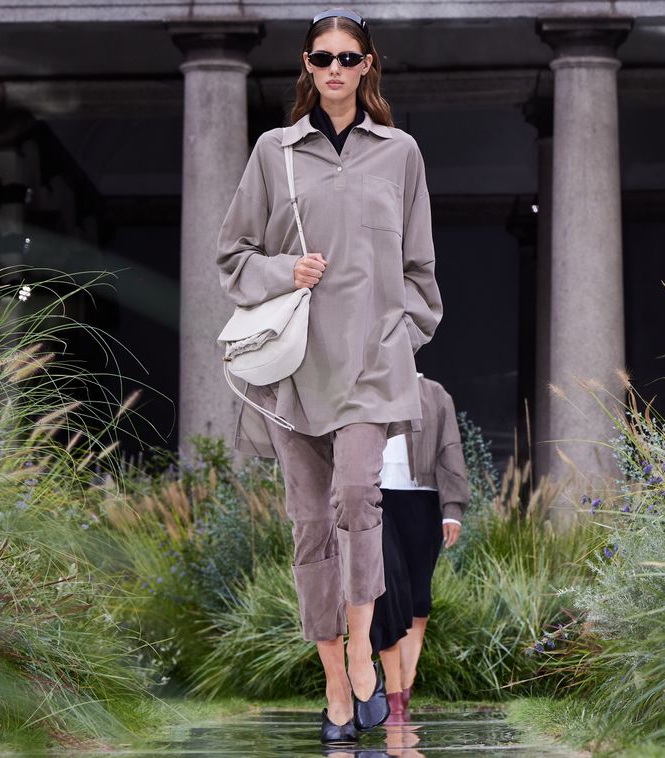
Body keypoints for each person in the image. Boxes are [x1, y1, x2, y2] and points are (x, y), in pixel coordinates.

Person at [216, 6, 442, 746]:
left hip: (370, 368)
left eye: (349, 58)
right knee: (310, 526)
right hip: (293, 371)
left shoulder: (400, 152)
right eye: (323, 58)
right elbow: (232, 258)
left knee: (356, 499)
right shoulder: (273, 151)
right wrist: (287, 270)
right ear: (306, 67)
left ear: (367, 65)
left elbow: (419, 274)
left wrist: (397, 338)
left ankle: (362, 659)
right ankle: (335, 681)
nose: (336, 70)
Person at [368, 375, 469, 723]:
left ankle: (404, 691)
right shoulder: (367, 382)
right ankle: (393, 698)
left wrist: (452, 509)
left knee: (418, 602)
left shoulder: (434, 393)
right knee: (388, 595)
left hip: (422, 499)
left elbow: (450, 449)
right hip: (376, 497)